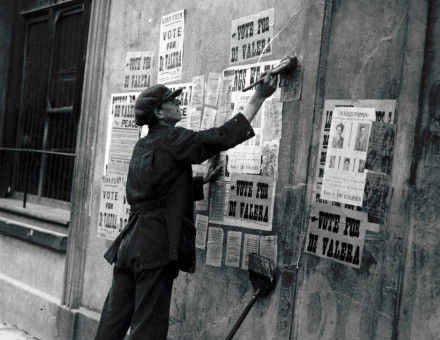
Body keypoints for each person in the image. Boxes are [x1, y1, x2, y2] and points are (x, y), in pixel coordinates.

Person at [95, 72, 278, 340]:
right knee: (148, 330)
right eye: (171, 101)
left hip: (128, 244)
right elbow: (220, 137)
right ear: (159, 112)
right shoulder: (173, 138)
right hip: (154, 246)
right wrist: (258, 97)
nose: (178, 104)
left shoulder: (142, 145)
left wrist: (201, 181)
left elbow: (156, 192)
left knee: (112, 324)